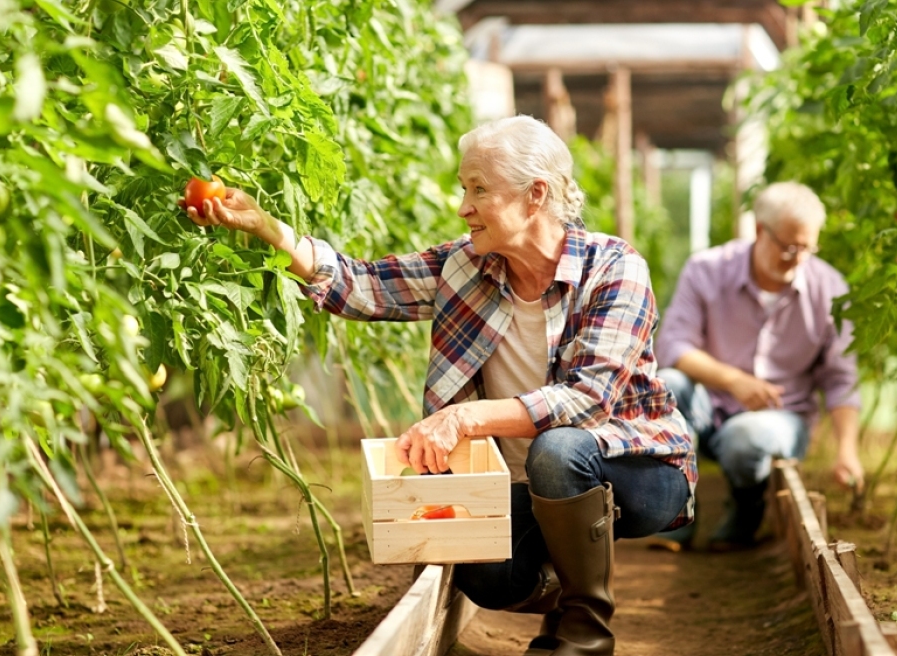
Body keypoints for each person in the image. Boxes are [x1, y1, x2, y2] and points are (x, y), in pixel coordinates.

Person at [183, 116, 695, 656]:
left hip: (640, 467)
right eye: (463, 189)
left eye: (479, 189)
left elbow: (588, 401)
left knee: (559, 448)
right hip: (530, 488)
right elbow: (363, 286)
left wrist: (463, 418)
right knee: (484, 575)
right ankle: (561, 579)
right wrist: (267, 227)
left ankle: (585, 630)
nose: (463, 207)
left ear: (534, 196)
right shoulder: (464, 266)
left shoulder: (613, 269)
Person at [650, 181, 863, 552]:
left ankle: (748, 510)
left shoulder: (830, 290)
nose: (797, 258)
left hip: (781, 418)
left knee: (745, 437)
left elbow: (841, 378)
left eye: (808, 248)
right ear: (760, 230)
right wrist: (733, 381)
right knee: (667, 384)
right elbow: (673, 345)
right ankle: (675, 511)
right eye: (788, 246)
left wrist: (848, 450)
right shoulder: (707, 270)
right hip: (709, 404)